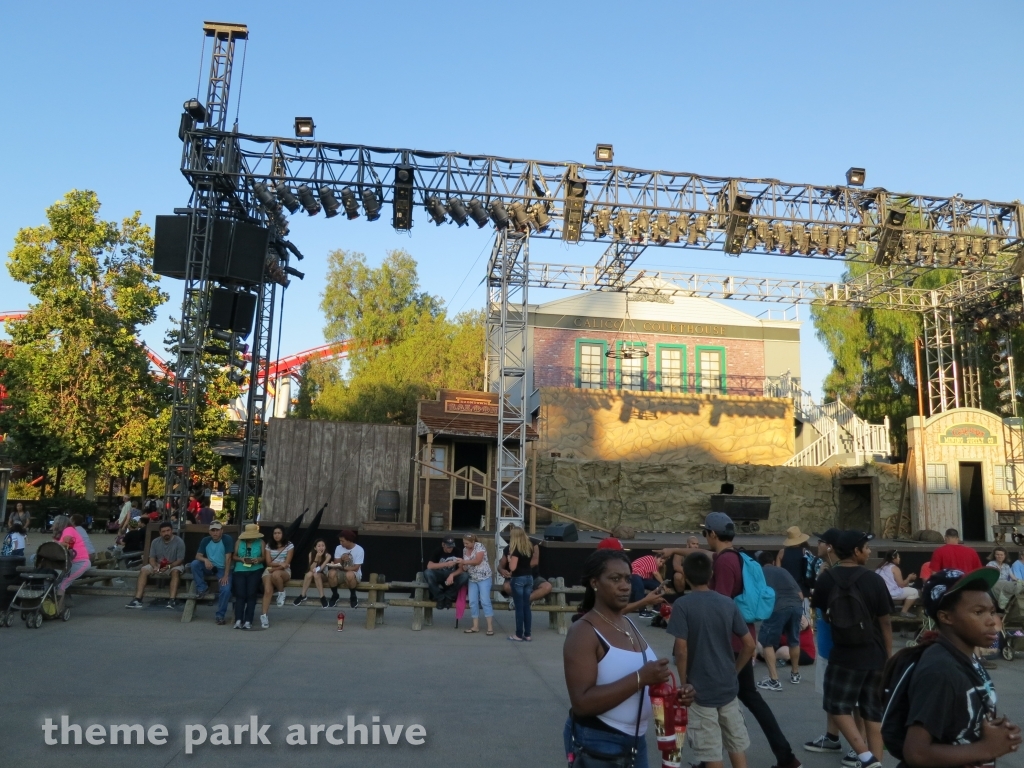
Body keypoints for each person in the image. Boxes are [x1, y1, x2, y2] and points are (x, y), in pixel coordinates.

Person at [881, 567, 1021, 767]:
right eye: (978, 612)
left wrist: (990, 731)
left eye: (992, 611)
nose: (991, 621)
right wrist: (987, 748)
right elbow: (917, 753)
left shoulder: (966, 658)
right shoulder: (941, 670)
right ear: (946, 617)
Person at [562, 549, 685, 767]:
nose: (625, 585)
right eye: (615, 579)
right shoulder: (583, 632)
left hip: (636, 742)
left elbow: (645, 686)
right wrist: (640, 677)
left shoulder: (628, 624)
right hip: (600, 743)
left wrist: (675, 697)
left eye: (628, 578)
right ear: (594, 583)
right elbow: (581, 703)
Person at [702, 511, 802, 768]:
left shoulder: (724, 562)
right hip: (743, 634)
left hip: (729, 642)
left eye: (705, 533)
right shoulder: (739, 557)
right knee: (748, 698)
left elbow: (720, 603)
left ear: (712, 534)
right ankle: (785, 756)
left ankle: (712, 759)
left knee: (711, 700)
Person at [811, 530, 893, 768]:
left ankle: (864, 756)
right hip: (875, 653)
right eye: (866, 548)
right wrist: (888, 656)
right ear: (856, 551)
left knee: (836, 705)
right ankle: (875, 760)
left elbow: (824, 617)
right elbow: (885, 622)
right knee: (872, 713)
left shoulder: (827, 578)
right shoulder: (874, 580)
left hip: (844, 652)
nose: (868, 552)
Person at [670, 551, 754, 768]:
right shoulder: (727, 603)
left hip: (699, 689)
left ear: (686, 576)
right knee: (736, 743)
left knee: (710, 749)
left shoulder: (683, 605)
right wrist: (735, 671)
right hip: (727, 685)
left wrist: (684, 682)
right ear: (711, 574)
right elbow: (749, 645)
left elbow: (681, 649)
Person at [756, 550, 804, 691]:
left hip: (777, 607)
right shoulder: (783, 571)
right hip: (796, 605)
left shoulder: (760, 573)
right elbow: (800, 595)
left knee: (767, 642)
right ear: (772, 562)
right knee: (794, 640)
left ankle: (773, 680)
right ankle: (795, 674)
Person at [126, 521, 185, 609]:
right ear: (160, 533)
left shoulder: (179, 542)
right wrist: (155, 566)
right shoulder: (155, 541)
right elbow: (152, 558)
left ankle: (172, 599)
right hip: (158, 564)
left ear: (172, 531)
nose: (166, 533)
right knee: (144, 569)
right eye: (163, 531)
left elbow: (180, 559)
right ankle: (137, 599)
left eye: (168, 530)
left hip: (173, 564)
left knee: (176, 572)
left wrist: (168, 566)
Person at [190, 521, 234, 625]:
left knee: (226, 589)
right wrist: (205, 560)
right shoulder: (206, 540)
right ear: (209, 532)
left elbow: (228, 558)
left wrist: (226, 575)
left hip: (223, 568)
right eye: (213, 530)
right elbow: (198, 556)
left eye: (217, 530)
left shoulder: (227, 539)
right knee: (194, 564)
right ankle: (202, 588)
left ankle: (220, 615)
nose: (215, 533)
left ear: (222, 531)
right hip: (210, 566)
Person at [259, 525, 294, 628]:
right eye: (275, 533)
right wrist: (279, 565)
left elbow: (286, 564)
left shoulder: (289, 545)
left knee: (276, 574)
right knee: (268, 591)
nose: (277, 535)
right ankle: (264, 616)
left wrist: (277, 567)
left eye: (279, 533)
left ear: (283, 534)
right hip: (270, 569)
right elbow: (268, 562)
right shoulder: (269, 545)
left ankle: (281, 592)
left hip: (284, 571)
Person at [232, 524, 265, 629]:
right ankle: (238, 619)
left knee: (251, 594)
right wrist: (241, 559)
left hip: (255, 569)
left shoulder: (261, 542)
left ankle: (248, 620)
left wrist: (258, 560)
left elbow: (264, 557)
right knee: (240, 594)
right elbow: (234, 556)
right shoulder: (239, 542)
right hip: (240, 569)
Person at [506, 526, 535, 642]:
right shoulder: (529, 547)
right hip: (529, 577)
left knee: (519, 608)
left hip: (518, 578)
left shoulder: (516, 550)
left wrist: (509, 560)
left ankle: (518, 634)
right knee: (526, 606)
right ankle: (527, 634)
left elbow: (513, 567)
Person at [461, 533, 494, 636]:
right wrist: (463, 566)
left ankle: (490, 627)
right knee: (473, 601)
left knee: (485, 601)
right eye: (464, 543)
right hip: (472, 578)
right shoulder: (464, 550)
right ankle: (475, 626)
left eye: (467, 543)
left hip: (484, 577)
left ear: (473, 542)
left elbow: (478, 561)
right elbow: (466, 564)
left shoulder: (479, 546)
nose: (465, 545)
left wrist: (464, 561)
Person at [51, 514, 91, 595]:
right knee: (57, 581)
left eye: (55, 522)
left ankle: (58, 606)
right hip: (69, 562)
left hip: (81, 562)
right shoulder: (61, 534)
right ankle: (63, 603)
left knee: (62, 584)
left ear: (59, 523)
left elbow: (67, 544)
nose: (53, 524)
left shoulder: (68, 529)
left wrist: (55, 543)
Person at [424, 536, 468, 609]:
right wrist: (446, 564)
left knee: (465, 576)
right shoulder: (438, 551)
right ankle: (440, 597)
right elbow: (429, 566)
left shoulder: (457, 551)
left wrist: (452, 575)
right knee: (427, 573)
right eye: (448, 547)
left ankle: (448, 596)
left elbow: (461, 569)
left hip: (452, 574)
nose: (450, 548)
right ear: (443, 545)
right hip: (440, 574)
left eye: (452, 546)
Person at [326, 529, 364, 609]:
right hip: (340, 572)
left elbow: (356, 568)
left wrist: (343, 567)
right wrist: (341, 559)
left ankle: (353, 596)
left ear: (349, 540)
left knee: (349, 574)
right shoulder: (338, 548)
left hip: (354, 574)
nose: (341, 543)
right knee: (331, 573)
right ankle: (335, 595)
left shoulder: (359, 550)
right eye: (340, 541)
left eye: (342, 541)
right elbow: (336, 563)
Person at [876, 551, 919, 617]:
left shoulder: (880, 567)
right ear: (894, 558)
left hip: (880, 593)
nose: (899, 559)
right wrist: (909, 578)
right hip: (891, 593)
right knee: (914, 592)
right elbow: (901, 585)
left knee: (908, 588)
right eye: (898, 557)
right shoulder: (894, 568)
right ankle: (904, 612)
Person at [776, 526, 814, 595]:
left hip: (786, 589)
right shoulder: (805, 551)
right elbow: (811, 569)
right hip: (802, 589)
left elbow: (778, 573)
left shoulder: (781, 552)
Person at [294, 539, 332, 607]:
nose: (321, 547)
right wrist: (316, 558)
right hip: (313, 574)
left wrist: (315, 569)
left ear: (325, 547)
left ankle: (322, 596)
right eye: (319, 546)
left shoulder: (328, 556)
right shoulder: (311, 554)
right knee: (309, 574)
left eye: (323, 545)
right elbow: (311, 568)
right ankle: (303, 595)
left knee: (316, 574)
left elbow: (321, 569)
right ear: (315, 548)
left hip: (323, 575)